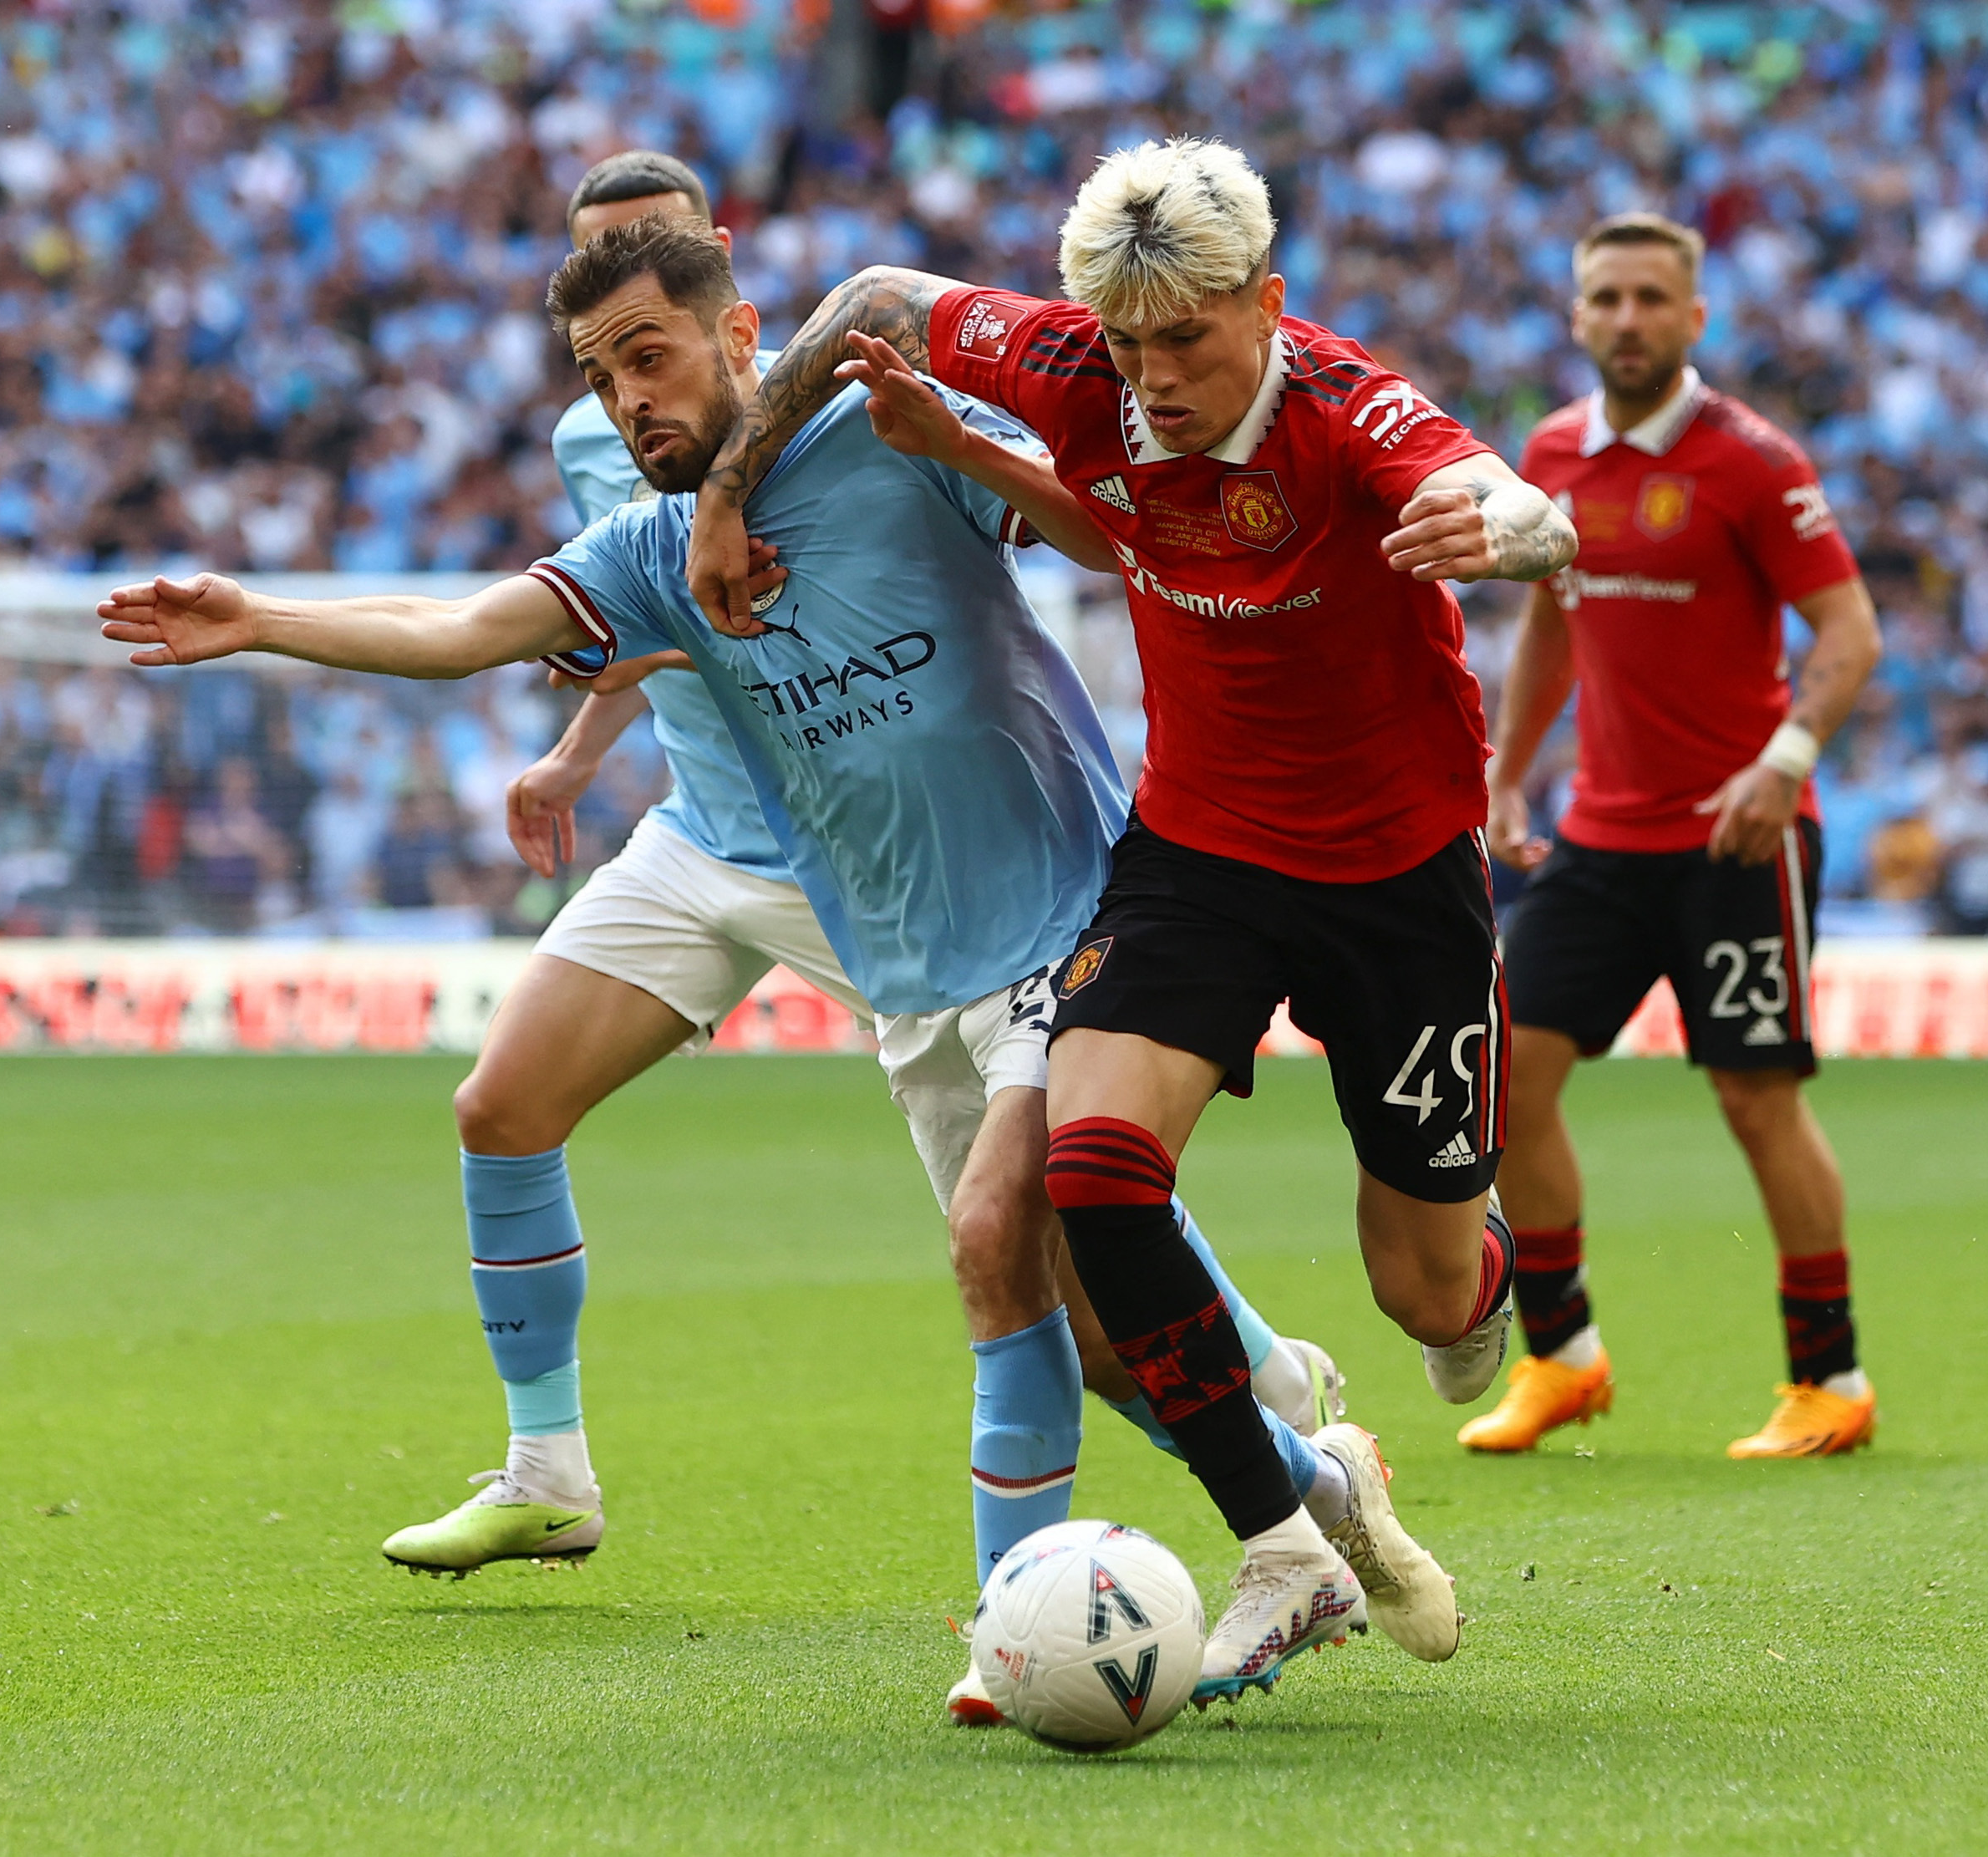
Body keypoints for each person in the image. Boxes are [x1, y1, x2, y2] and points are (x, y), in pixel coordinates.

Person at [99, 208, 1445, 1717]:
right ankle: (1317, 1495)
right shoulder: (646, 546)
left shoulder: (888, 434)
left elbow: (1109, 528)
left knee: (994, 1237)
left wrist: (965, 444)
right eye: (601, 377)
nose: (630, 399)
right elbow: (468, 625)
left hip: (1073, 914)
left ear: (743, 334)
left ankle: (1009, 1629)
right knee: (1098, 1338)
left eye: (650, 357)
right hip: (913, 970)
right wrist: (261, 618)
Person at [686, 137, 1579, 1698]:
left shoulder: (1345, 409)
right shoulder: (1068, 366)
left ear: (1268, 306)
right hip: (1198, 855)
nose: (1154, 376)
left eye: (1186, 340)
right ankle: (1285, 1548)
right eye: (1127, 341)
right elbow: (875, 296)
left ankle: (1482, 1266)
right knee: (1090, 1173)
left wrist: (1515, 529)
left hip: (1397, 883)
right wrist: (726, 490)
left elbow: (1503, 496)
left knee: (1423, 1292)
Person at [1468, 212, 1885, 1460]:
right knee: (1507, 1081)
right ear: (1578, 315)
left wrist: (1783, 764)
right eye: (1608, 297)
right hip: (1602, 838)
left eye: (1653, 298)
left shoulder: (1753, 462)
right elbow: (1555, 621)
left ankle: (1831, 1379)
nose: (1629, 318)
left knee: (1756, 1100)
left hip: (1736, 841)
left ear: (1694, 318)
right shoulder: (1552, 451)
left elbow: (1851, 631)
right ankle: (1563, 1357)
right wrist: (1506, 772)